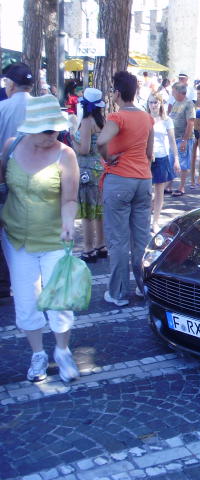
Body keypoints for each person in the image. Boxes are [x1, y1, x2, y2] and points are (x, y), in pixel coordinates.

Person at [0, 95, 80, 382]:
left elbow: (70, 198)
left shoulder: (65, 153)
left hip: (55, 240)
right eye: (46, 130)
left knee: (59, 300)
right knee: (26, 301)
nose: (53, 135)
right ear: (30, 127)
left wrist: (68, 223)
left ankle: (62, 351)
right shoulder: (11, 147)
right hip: (17, 238)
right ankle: (37, 354)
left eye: (56, 129)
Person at [97, 71, 154, 307]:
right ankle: (144, 287)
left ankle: (118, 293)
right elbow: (150, 154)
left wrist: (108, 158)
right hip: (143, 179)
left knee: (118, 240)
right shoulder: (147, 117)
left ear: (117, 93)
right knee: (141, 239)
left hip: (120, 179)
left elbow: (101, 141)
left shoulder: (117, 117)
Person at [0, 62, 34, 299]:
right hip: (39, 179)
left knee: (6, 230)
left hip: (7, 177)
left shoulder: (2, 108)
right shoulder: (42, 107)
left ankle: (5, 284)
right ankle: (32, 281)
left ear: (10, 84)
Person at [72, 88, 107, 263]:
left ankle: (88, 248)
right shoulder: (101, 121)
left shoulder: (87, 121)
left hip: (87, 169)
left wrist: (72, 139)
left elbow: (84, 149)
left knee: (87, 212)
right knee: (99, 210)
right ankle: (101, 244)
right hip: (100, 168)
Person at [148, 93, 179, 233]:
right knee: (147, 192)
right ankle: (145, 219)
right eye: (151, 102)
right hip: (147, 158)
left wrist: (176, 159)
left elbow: (172, 141)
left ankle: (155, 221)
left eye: (156, 102)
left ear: (160, 103)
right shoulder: (145, 119)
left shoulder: (167, 120)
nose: (153, 105)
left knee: (159, 192)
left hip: (162, 157)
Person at [168, 82, 196, 196]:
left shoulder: (188, 104)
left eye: (174, 91)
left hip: (183, 138)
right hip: (174, 138)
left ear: (180, 92)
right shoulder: (175, 102)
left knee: (183, 163)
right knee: (171, 162)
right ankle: (169, 186)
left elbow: (190, 122)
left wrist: (185, 139)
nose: (172, 93)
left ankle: (181, 187)